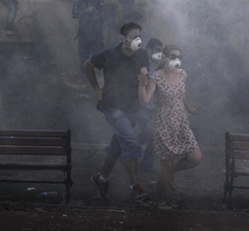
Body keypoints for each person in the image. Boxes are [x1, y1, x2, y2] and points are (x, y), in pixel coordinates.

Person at [85, 22, 151, 203]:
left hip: (133, 108)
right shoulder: (109, 55)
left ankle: (101, 179)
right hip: (112, 106)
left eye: (139, 36)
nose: (137, 40)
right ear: (123, 39)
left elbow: (145, 75)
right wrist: (96, 89)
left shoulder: (143, 54)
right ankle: (134, 187)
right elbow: (88, 65)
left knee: (117, 146)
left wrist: (144, 77)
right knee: (131, 142)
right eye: (133, 36)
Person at [139, 45, 201, 209]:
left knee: (195, 158)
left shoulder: (182, 74)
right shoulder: (156, 77)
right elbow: (144, 100)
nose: (177, 60)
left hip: (181, 121)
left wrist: (188, 107)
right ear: (164, 58)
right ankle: (160, 201)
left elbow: (181, 93)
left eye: (180, 57)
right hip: (164, 124)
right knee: (166, 166)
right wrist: (141, 84)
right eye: (173, 56)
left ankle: (172, 174)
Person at [139, 38, 164, 173]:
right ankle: (127, 149)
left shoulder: (158, 67)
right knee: (151, 133)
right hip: (142, 107)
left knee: (153, 135)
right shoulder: (144, 66)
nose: (159, 53)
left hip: (153, 107)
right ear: (149, 50)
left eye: (161, 51)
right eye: (157, 50)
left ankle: (145, 166)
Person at [72, 0, 105, 70]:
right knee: (84, 57)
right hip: (84, 32)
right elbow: (74, 14)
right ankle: (84, 78)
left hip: (97, 32)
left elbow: (104, 12)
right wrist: (85, 11)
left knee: (99, 56)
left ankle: (99, 77)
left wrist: (98, 15)